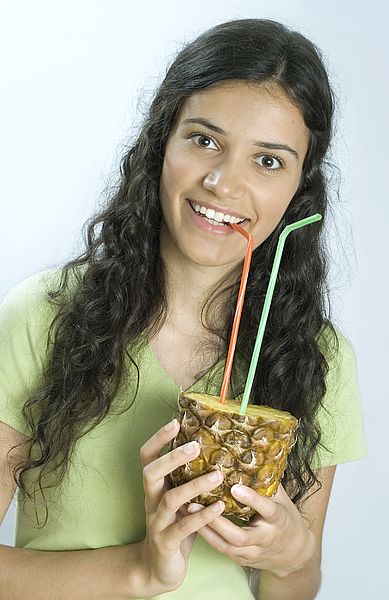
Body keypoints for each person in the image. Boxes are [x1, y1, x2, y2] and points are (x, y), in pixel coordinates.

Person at [0, 18, 366, 600]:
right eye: (204, 140)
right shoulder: (43, 315)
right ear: (161, 142)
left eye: (268, 161)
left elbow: (288, 592)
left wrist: (294, 559)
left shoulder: (318, 359)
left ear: (301, 188)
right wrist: (139, 570)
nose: (223, 183)